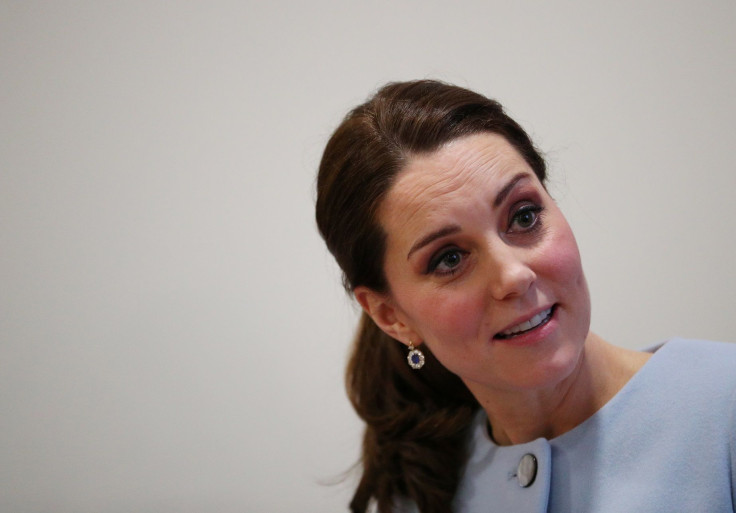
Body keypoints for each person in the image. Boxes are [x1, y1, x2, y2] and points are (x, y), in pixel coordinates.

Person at [315, 80, 736, 513]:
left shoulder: (725, 404)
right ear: (391, 316)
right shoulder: (418, 490)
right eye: (449, 258)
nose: (514, 276)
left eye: (524, 215)